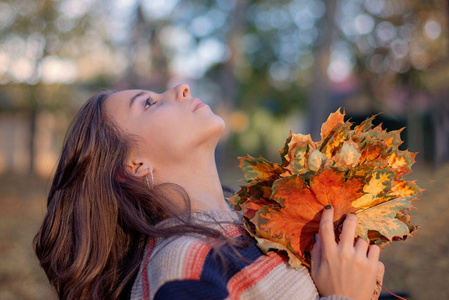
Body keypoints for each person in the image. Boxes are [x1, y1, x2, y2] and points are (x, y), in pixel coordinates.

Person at [33, 84, 384, 300]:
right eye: (149, 104)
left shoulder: (256, 222)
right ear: (133, 165)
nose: (181, 88)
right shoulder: (183, 264)